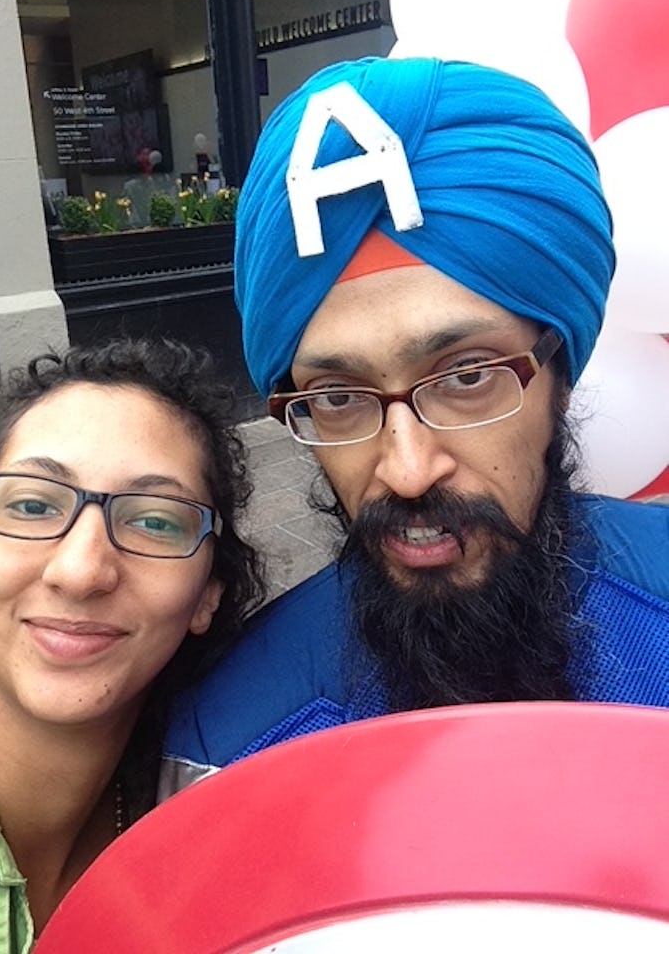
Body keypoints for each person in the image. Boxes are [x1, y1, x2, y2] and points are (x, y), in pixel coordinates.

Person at [160, 55, 669, 795]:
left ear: (558, 374)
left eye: (466, 378)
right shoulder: (230, 744)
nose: (406, 468)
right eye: (338, 396)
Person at [0, 337, 264, 952]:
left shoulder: (211, 806)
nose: (79, 572)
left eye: (154, 520)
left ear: (208, 594)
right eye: (30, 505)